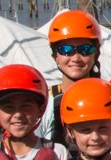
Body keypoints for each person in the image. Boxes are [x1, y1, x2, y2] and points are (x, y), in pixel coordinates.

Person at [40, 9, 102, 145]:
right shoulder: (46, 103)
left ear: (96, 54)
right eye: (66, 50)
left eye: (85, 49)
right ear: (55, 56)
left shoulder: (108, 96)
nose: (76, 58)